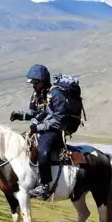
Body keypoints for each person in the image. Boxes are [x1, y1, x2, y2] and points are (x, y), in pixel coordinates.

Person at [10, 64, 68, 200]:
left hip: (53, 132)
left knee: (43, 152)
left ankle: (45, 186)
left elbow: (59, 120)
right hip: (40, 129)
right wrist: (20, 115)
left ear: (43, 81)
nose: (33, 86)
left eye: (35, 83)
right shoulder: (37, 94)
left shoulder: (56, 94)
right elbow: (36, 112)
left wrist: (39, 128)